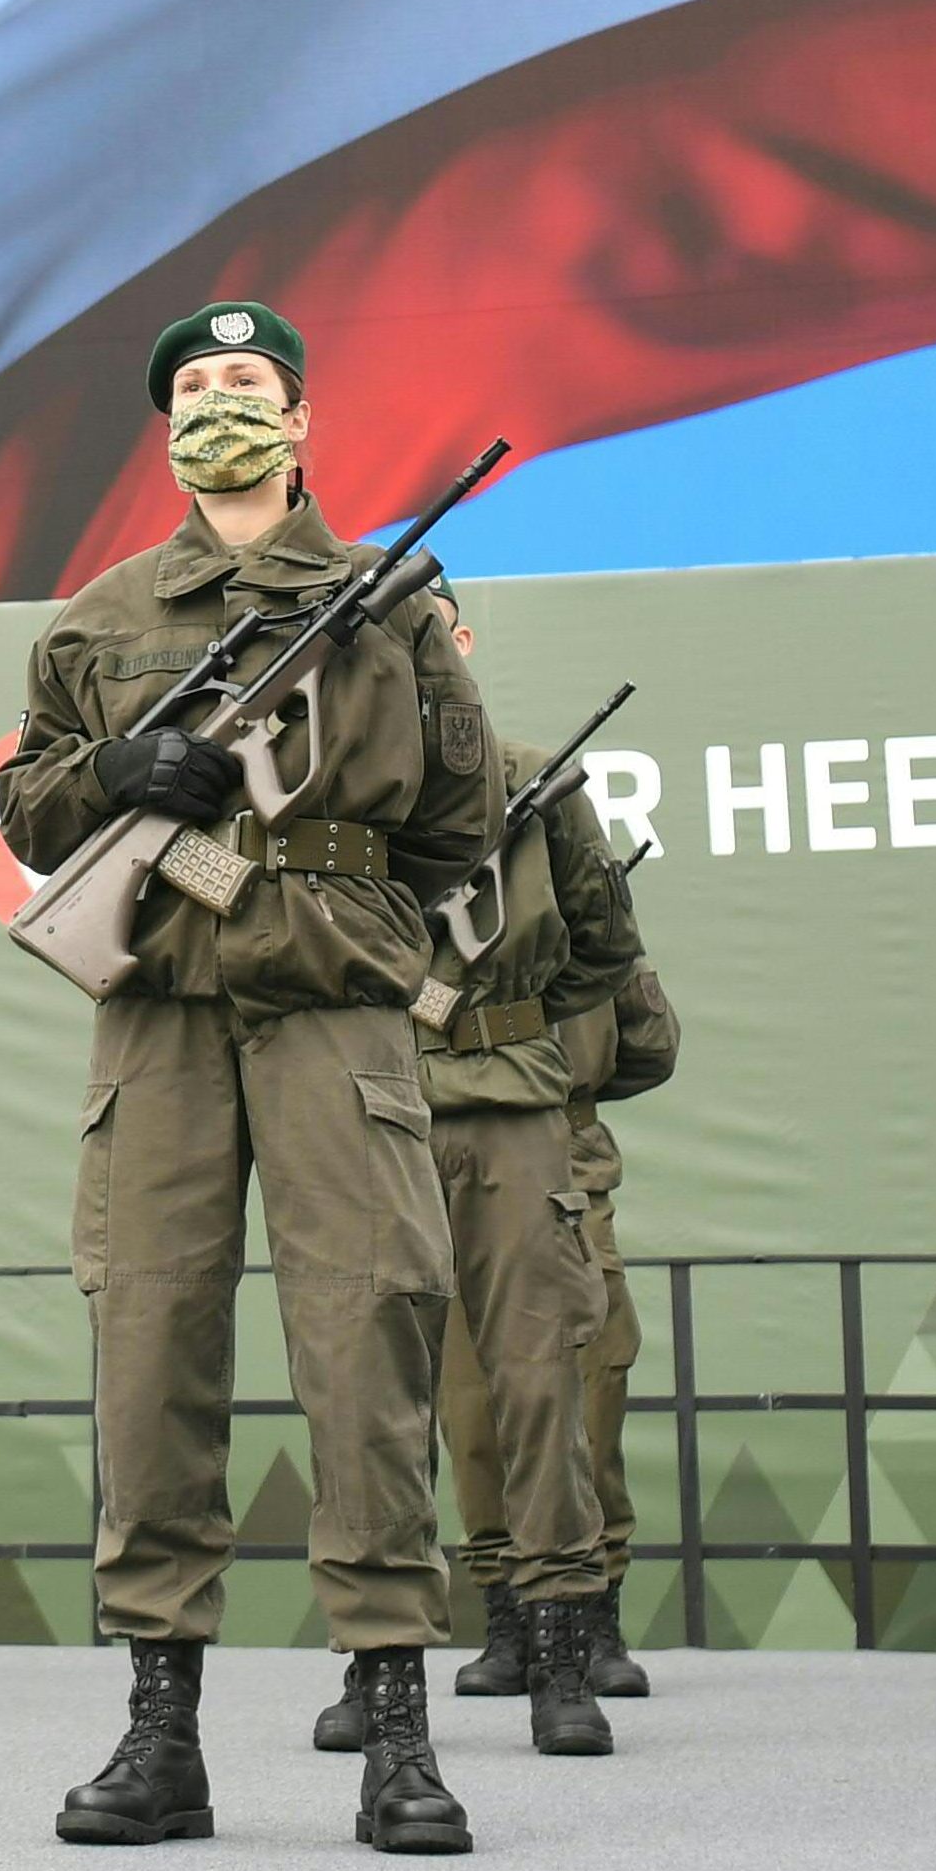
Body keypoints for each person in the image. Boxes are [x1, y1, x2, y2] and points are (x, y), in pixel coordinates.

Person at [0, 300, 495, 1859]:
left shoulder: (386, 597)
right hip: (158, 1017)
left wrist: (318, 887)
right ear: (168, 427)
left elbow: (463, 814)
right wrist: (120, 776)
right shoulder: (97, 616)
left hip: (335, 1008)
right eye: (197, 386)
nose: (222, 403)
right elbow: (27, 802)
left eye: (250, 383)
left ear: (302, 419)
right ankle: (162, 1731)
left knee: (370, 1342)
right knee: (149, 1350)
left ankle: (395, 1731)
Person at [379, 593, 641, 1757]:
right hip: (373, 1114)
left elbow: (604, 944)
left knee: (541, 1384)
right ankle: (375, 1658)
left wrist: (495, 1022)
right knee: (372, 1395)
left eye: (429, 624)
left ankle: (560, 1644)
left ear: (460, 642)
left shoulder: (540, 783)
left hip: (515, 1112)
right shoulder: (337, 791)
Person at [548, 953, 679, 1684]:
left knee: (595, 1386)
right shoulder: (421, 874)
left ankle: (594, 1607)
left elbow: (651, 1046)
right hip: (441, 1149)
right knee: (467, 1406)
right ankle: (513, 1614)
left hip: (567, 1158)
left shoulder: (576, 894)